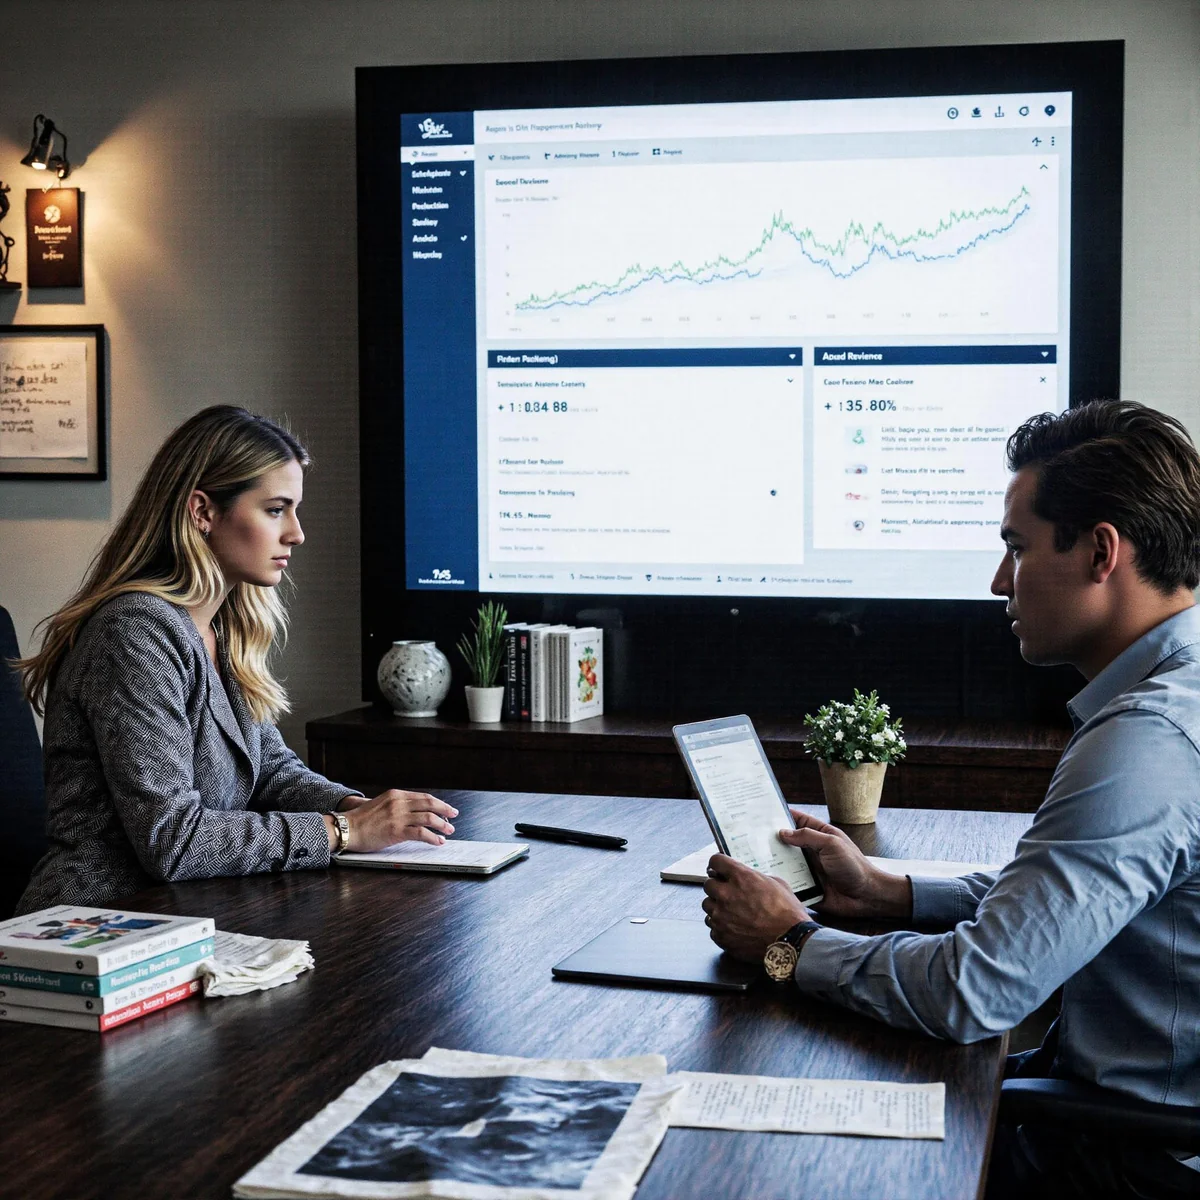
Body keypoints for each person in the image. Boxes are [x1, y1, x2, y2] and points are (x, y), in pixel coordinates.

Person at [702, 400, 1200, 1196]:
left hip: (1129, 1166)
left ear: (1101, 552)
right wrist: (888, 889)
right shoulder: (1178, 697)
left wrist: (787, 941)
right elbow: (1065, 894)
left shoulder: (1150, 742)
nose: (999, 580)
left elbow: (976, 990)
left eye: (1016, 548)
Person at [16, 405, 457, 913]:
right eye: (275, 509)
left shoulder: (223, 627)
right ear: (202, 511)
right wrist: (344, 831)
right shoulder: (133, 634)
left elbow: (269, 771)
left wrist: (355, 808)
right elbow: (174, 840)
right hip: (102, 924)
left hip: (190, 912)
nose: (296, 533)